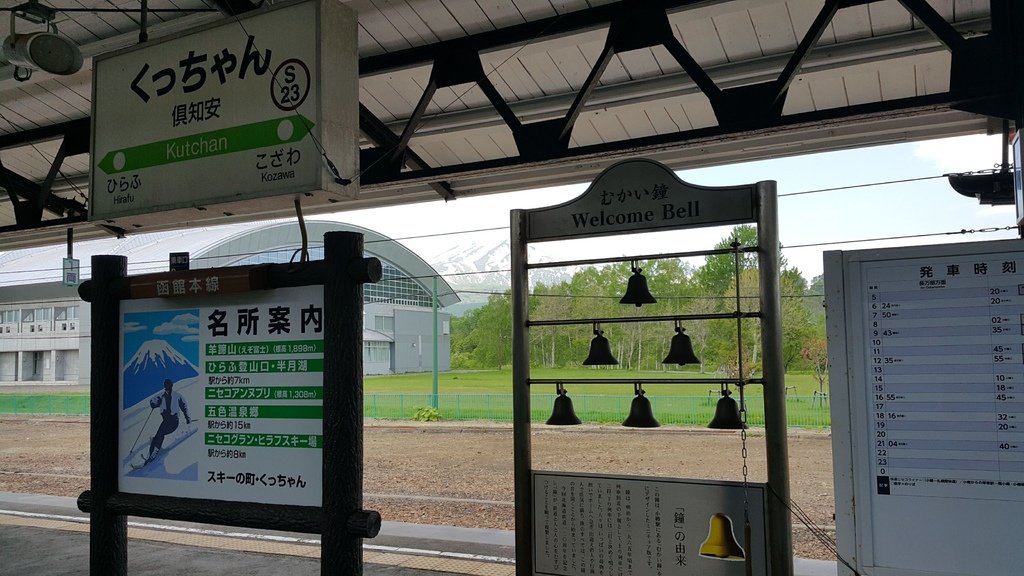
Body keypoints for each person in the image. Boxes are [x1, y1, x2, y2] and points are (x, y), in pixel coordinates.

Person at [147, 378, 193, 462]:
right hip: (165, 421)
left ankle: (155, 452)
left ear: (171, 386)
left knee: (160, 433)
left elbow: (184, 407)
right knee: (157, 436)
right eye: (166, 386)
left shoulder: (177, 396)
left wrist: (188, 418)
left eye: (168, 386)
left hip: (173, 422)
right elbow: (152, 401)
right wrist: (154, 404)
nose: (167, 387)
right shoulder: (161, 396)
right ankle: (151, 453)